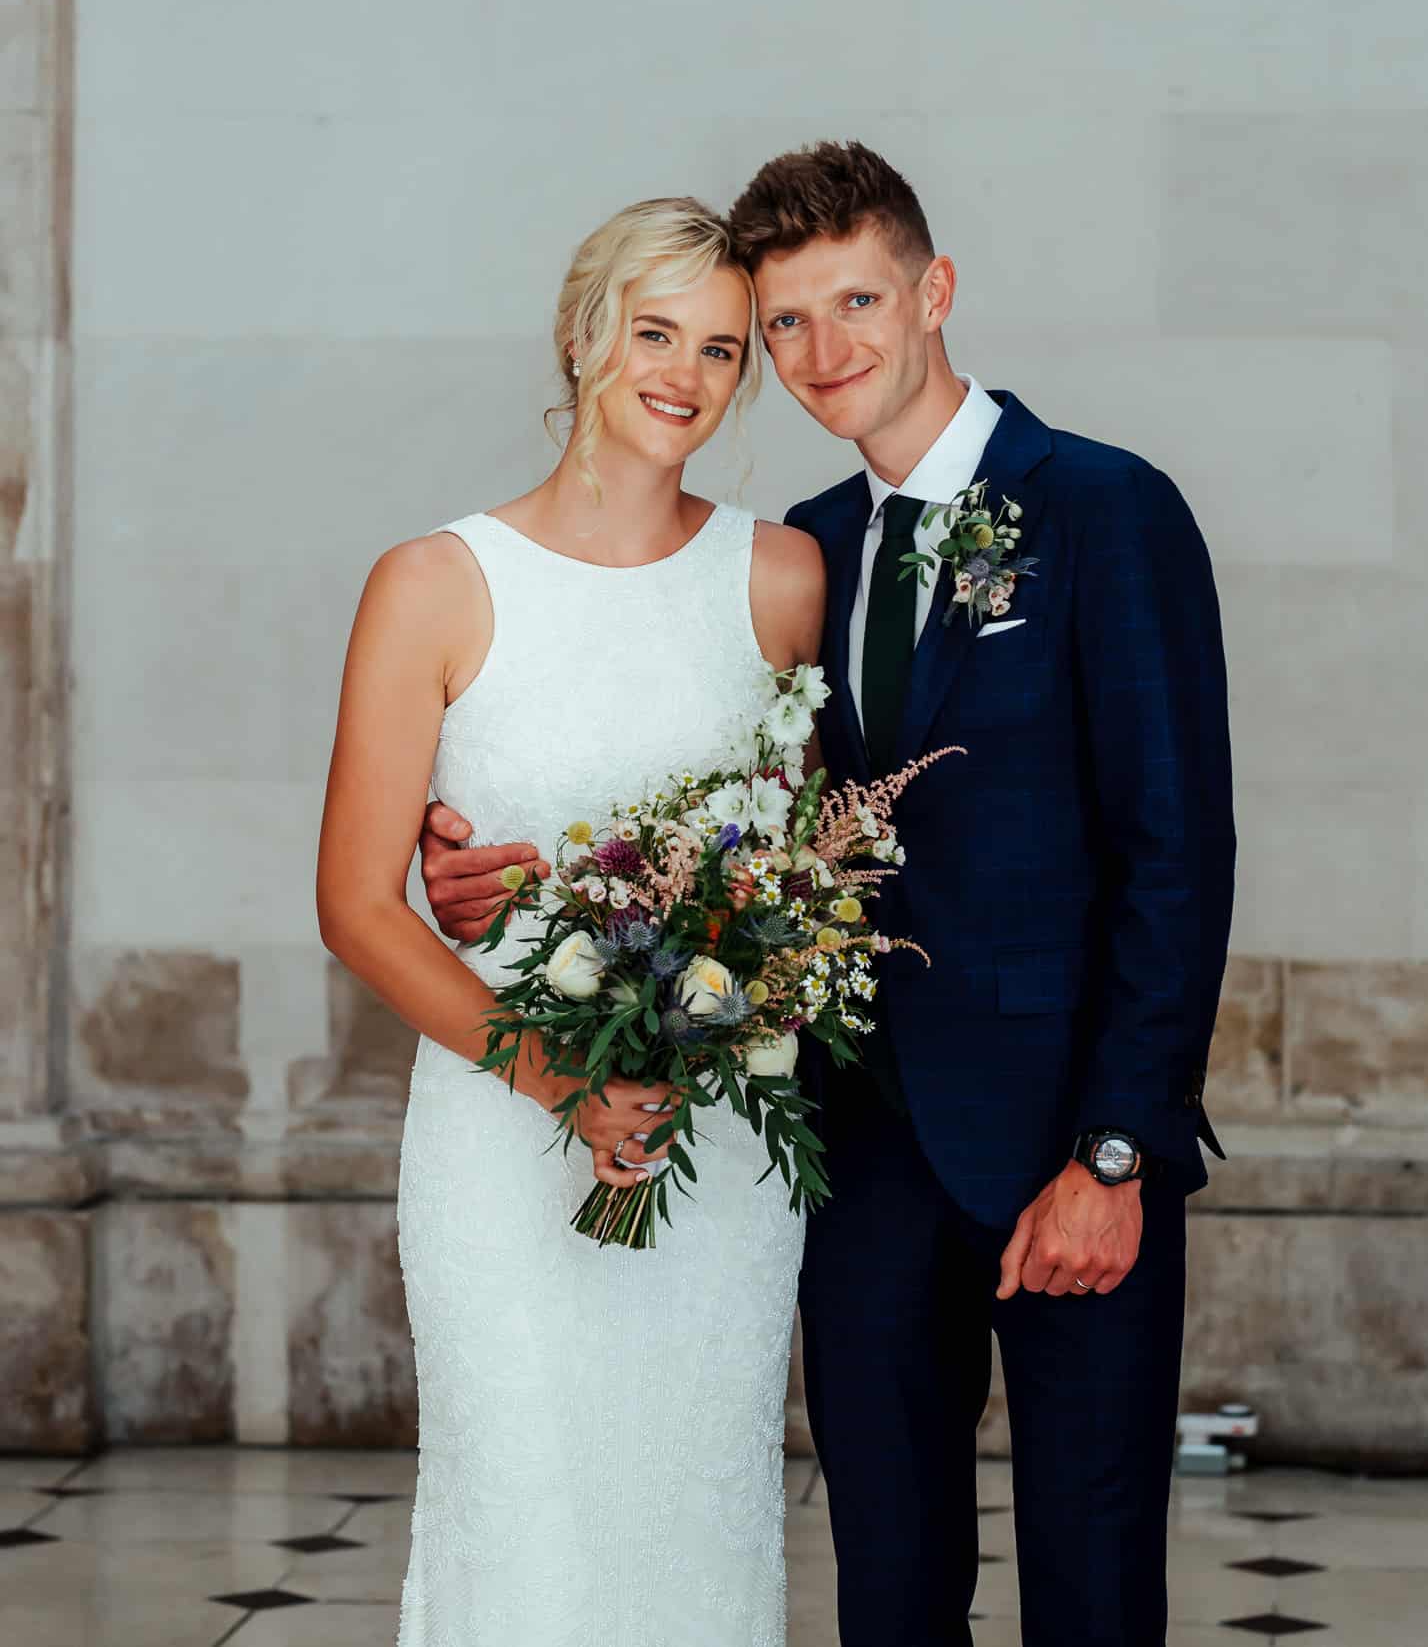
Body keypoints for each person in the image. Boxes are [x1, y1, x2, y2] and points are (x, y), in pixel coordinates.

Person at [425, 142, 1235, 1647]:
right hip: (855, 1159)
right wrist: (485, 858)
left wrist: (1117, 1151)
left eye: (856, 300)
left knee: (1093, 1573)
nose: (823, 350)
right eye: (784, 322)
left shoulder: (1105, 510)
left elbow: (1175, 853)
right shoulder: (811, 547)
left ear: (934, 291)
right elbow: (717, 816)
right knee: (890, 1582)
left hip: (1068, 1150)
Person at [317, 196, 824, 1647]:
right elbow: (357, 902)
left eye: (723, 348)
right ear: (584, 334)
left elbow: (825, 867)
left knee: (700, 1528)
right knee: (526, 1525)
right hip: (501, 1143)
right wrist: (562, 1078)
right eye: (655, 330)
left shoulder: (782, 581)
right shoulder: (434, 584)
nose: (686, 372)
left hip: (717, 1153)